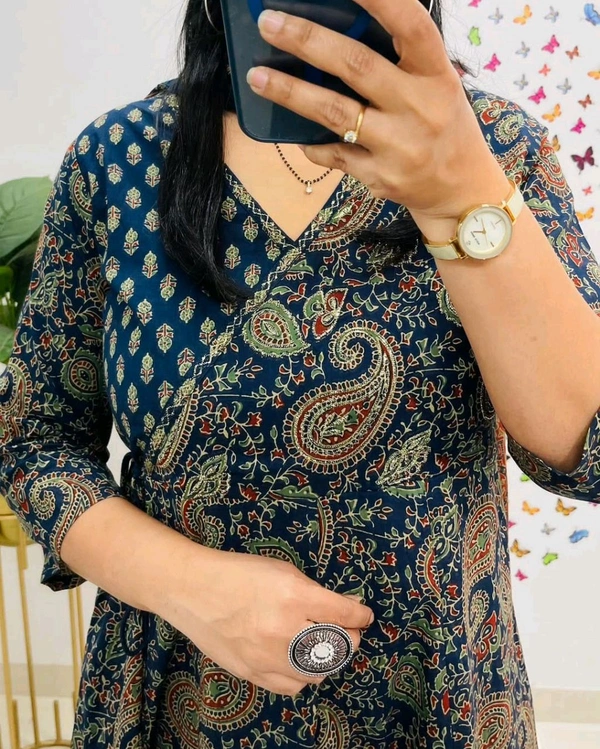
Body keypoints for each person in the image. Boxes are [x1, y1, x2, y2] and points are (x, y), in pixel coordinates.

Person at [2, 0, 600, 745]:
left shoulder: (498, 149)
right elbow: (35, 442)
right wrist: (190, 586)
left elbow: (584, 447)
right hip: (183, 693)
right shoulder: (119, 161)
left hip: (440, 697)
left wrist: (460, 192)